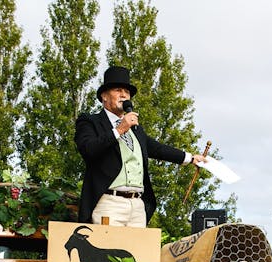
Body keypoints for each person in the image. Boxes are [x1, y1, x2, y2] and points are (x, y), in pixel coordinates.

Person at [75, 66, 205, 227]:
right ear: (104, 96)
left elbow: (157, 149)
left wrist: (190, 158)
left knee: (138, 252)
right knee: (108, 251)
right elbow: (88, 149)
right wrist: (120, 129)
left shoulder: (136, 129)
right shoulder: (90, 121)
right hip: (109, 203)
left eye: (127, 92)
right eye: (118, 90)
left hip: (137, 205)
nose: (124, 95)